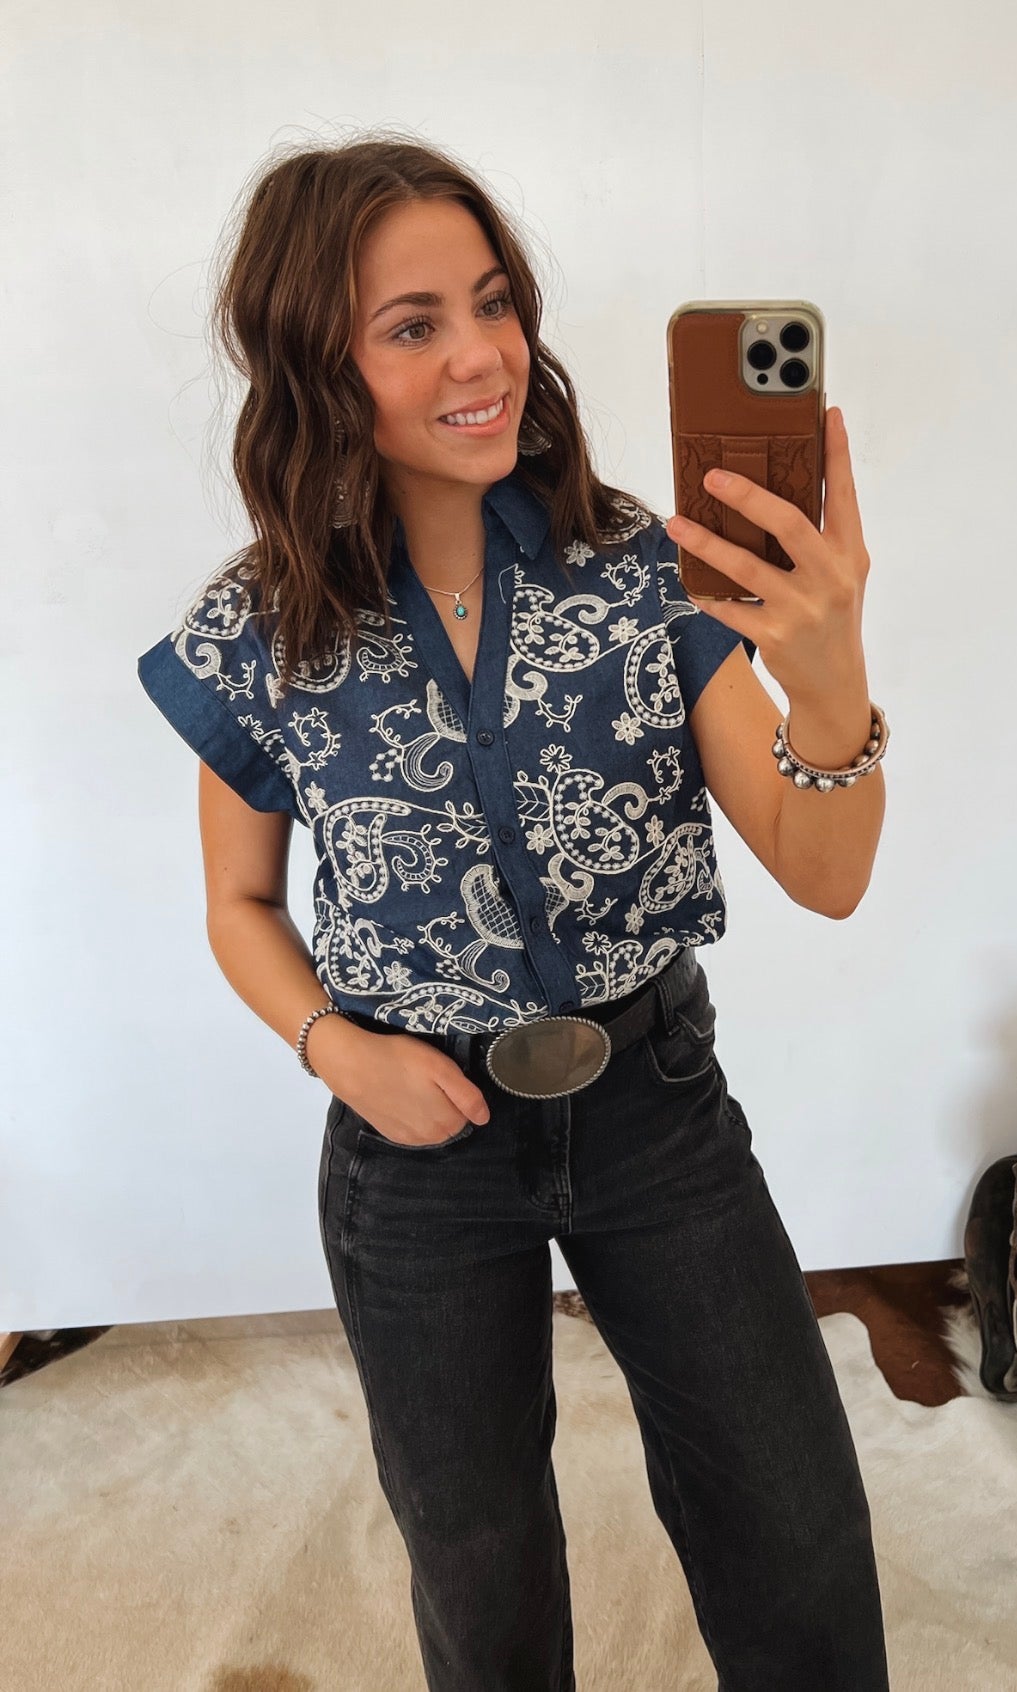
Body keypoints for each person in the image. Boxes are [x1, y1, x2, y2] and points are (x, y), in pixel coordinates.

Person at [137, 131, 890, 1691]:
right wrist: (336, 1048)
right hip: (415, 1151)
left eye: (492, 303)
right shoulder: (260, 629)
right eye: (412, 325)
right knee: (481, 1579)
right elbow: (238, 902)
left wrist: (830, 685)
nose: (482, 356)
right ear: (316, 364)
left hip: (656, 1113)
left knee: (796, 1533)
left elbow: (825, 875)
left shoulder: (644, 571)